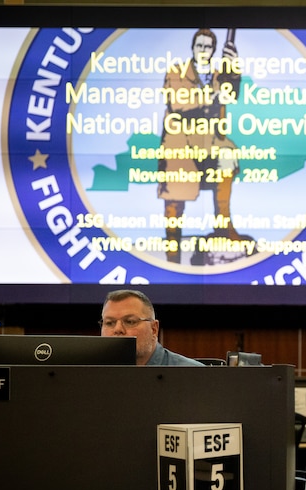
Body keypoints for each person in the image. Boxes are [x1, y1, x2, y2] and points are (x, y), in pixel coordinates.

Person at [159, 28, 249, 265]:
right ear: (192, 48)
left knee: (228, 156)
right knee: (175, 206)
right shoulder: (176, 72)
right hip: (181, 147)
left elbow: (231, 95)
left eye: (208, 47)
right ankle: (172, 255)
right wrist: (215, 94)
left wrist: (234, 70)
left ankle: (224, 230)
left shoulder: (220, 73)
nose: (203, 51)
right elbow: (180, 104)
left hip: (211, 145)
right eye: (199, 46)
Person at [99, 289, 204, 366]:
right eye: (109, 323)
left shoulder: (193, 375)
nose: (117, 329)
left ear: (154, 329)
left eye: (130, 321)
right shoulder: (87, 375)